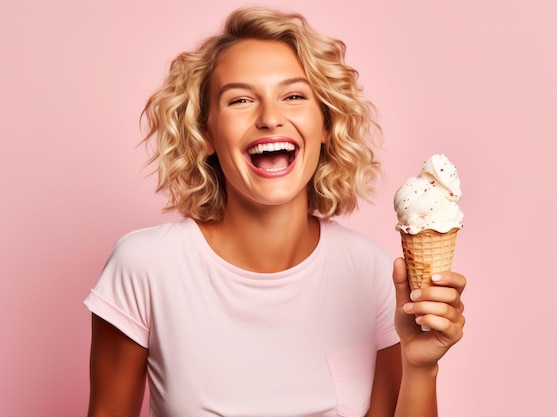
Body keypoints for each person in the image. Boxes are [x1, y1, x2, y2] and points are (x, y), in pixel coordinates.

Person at [84, 6, 466, 417]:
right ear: (207, 132)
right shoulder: (145, 268)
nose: (269, 118)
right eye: (241, 99)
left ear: (325, 124)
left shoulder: (372, 273)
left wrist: (422, 366)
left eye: (294, 96)